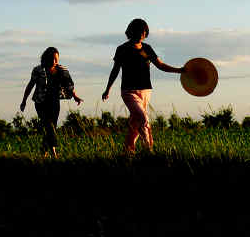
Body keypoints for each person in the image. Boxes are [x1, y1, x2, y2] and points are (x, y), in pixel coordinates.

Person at [102, 18, 184, 153]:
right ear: (131, 32)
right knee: (143, 117)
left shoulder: (147, 48)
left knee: (135, 122)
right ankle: (149, 148)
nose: (142, 34)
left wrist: (179, 70)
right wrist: (108, 89)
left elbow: (160, 65)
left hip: (146, 90)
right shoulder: (122, 49)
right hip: (129, 91)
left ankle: (128, 151)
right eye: (139, 31)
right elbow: (115, 70)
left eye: (144, 31)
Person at [19, 47, 83, 158]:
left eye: (56, 59)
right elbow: (30, 85)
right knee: (48, 126)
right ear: (45, 58)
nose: (54, 61)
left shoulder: (62, 70)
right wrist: (24, 100)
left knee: (52, 127)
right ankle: (54, 153)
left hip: (54, 101)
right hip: (40, 102)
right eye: (51, 59)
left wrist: (75, 96)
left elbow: (69, 86)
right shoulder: (38, 70)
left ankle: (43, 151)